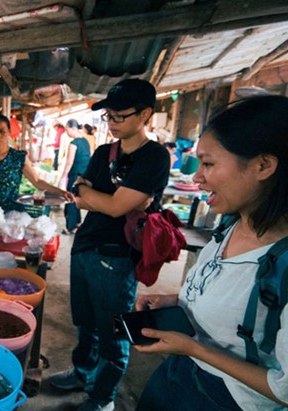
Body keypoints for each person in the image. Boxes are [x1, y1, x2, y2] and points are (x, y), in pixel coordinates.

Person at [135, 95, 288, 411]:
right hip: (181, 371)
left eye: (208, 164)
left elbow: (283, 389)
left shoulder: (281, 262)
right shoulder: (233, 222)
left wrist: (194, 348)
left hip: (227, 399)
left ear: (264, 165)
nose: (196, 177)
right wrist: (177, 301)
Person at [48, 79, 170, 411]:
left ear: (145, 114)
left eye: (120, 116)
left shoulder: (155, 157)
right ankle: (81, 372)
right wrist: (110, 199)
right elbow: (80, 194)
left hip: (118, 258)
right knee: (85, 321)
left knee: (114, 330)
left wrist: (100, 198)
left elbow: (112, 206)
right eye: (109, 117)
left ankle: (103, 398)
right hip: (85, 247)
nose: (112, 123)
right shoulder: (104, 152)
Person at [0, 114, 74, 212]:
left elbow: (37, 182)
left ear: (9, 132)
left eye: (2, 131)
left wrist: (62, 192)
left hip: (13, 214)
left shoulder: (18, 157)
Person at [58, 119, 92, 234]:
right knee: (77, 199)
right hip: (84, 175)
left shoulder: (74, 143)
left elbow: (69, 162)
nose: (66, 133)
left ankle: (71, 227)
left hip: (75, 175)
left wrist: (63, 177)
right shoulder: (85, 141)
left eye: (67, 130)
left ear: (73, 128)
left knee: (70, 200)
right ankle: (77, 223)